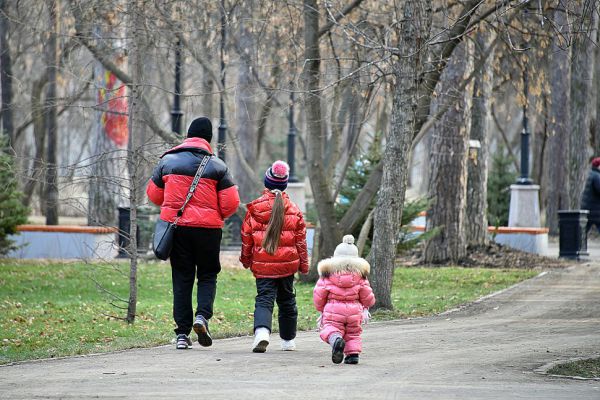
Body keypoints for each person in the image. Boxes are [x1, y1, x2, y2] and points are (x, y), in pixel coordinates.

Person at [146, 116, 240, 350]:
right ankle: (202, 317)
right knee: (208, 274)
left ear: (188, 136)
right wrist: (212, 214)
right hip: (208, 231)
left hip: (177, 230)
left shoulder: (167, 162)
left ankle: (181, 334)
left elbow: (154, 195)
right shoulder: (218, 166)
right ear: (209, 139)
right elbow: (230, 204)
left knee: (182, 277)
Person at [240, 160, 309, 353]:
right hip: (287, 265)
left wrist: (246, 260)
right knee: (287, 300)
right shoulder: (294, 210)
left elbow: (247, 238)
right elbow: (301, 242)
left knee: (264, 298)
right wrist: (303, 265)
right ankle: (288, 341)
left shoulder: (255, 209)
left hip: (263, 265)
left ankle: (262, 333)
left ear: (266, 183)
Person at [313, 235, 375, 364]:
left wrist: (320, 309)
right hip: (354, 311)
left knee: (329, 329)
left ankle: (336, 340)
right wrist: (367, 306)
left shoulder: (327, 274)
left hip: (333, 310)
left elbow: (319, 295)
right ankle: (352, 356)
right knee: (353, 333)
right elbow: (367, 297)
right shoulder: (361, 276)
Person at [581, 157, 600, 235]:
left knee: (583, 231)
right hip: (595, 210)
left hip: (589, 208)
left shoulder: (592, 174)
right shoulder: (597, 176)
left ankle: (578, 244)